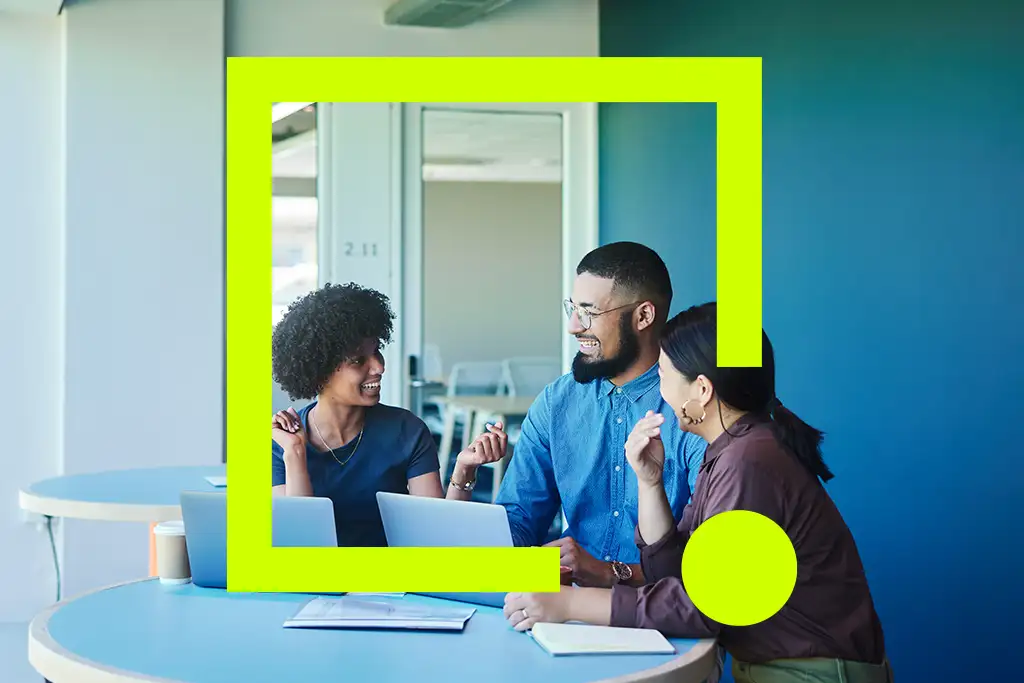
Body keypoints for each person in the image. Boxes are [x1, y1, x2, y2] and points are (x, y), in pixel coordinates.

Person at [503, 302, 892, 683]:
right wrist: (650, 482)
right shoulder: (733, 451)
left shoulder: (748, 462)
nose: (658, 385)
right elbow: (672, 575)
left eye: (664, 372)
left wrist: (571, 603)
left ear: (701, 390)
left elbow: (706, 607)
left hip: (813, 673)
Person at [494, 242, 707, 589]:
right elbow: (519, 520)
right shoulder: (555, 402)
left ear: (643, 316)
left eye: (589, 312)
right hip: (564, 607)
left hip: (667, 617)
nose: (574, 326)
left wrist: (611, 573)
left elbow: (707, 560)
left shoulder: (695, 410)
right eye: (572, 309)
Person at [270, 282, 506, 547]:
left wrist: (464, 468)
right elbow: (300, 548)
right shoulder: (282, 443)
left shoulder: (407, 431)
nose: (379, 367)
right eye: (359, 361)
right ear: (319, 371)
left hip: (390, 584)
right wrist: (295, 454)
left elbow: (437, 541)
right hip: (317, 584)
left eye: (377, 352)